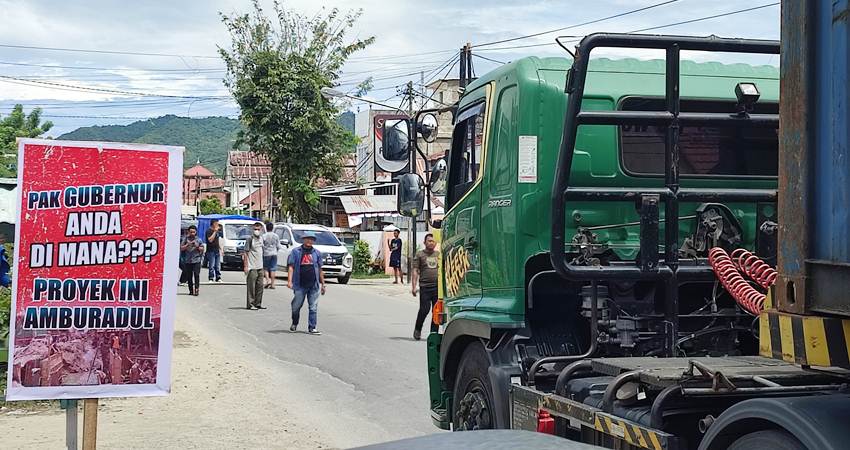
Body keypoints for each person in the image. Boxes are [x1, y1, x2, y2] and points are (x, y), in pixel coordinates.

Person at [287, 230, 325, 335]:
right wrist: (289, 281)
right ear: (303, 239)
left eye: (311, 239)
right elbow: (291, 267)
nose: (309, 241)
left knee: (313, 307)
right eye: (307, 238)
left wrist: (323, 284)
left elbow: (320, 269)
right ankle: (294, 323)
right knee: (296, 306)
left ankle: (312, 327)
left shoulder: (316, 253)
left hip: (314, 285)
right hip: (299, 284)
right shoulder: (296, 252)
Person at [412, 233, 440, 341]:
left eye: (433, 241)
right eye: (429, 241)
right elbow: (415, 270)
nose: (431, 243)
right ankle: (418, 329)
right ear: (424, 242)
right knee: (424, 310)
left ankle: (434, 333)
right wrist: (414, 287)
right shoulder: (420, 255)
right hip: (425, 287)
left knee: (436, 311)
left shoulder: (438, 255)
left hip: (437, 288)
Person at [243, 221, 266, 310]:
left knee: (260, 286)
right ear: (252, 229)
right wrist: (245, 266)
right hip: (252, 266)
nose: (257, 230)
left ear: (261, 229)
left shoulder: (261, 238)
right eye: (255, 229)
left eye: (258, 229)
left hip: (260, 266)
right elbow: (246, 252)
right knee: (251, 287)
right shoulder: (250, 239)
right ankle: (250, 304)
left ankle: (258, 303)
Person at [180, 225, 205, 296]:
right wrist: (187, 245)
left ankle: (197, 289)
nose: (192, 233)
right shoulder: (185, 239)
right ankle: (191, 290)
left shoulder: (199, 240)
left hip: (196, 260)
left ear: (196, 232)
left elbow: (202, 249)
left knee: (196, 275)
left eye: (194, 232)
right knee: (189, 276)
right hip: (188, 260)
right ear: (188, 232)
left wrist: (196, 246)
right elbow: (181, 248)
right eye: (191, 232)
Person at [261, 221, 282, 289]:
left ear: (266, 228)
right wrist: (276, 250)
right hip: (274, 253)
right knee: (273, 269)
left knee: (265, 268)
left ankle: (267, 280)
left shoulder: (264, 236)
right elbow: (279, 246)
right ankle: (273, 284)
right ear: (272, 228)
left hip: (266, 253)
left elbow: (262, 245)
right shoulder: (276, 236)